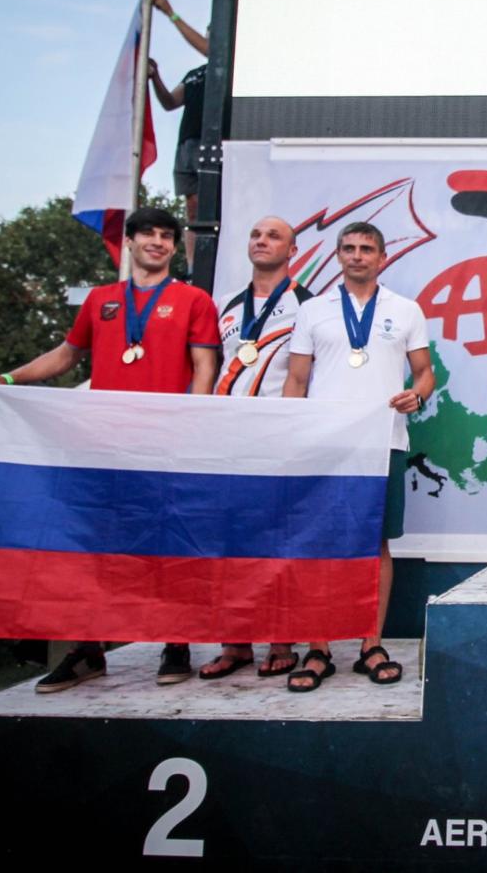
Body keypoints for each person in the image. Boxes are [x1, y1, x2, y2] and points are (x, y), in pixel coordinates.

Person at [0, 207, 221, 692]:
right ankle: (86, 650)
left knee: (166, 542)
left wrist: (196, 425)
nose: (158, 242)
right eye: (148, 233)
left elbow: (203, 366)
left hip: (165, 443)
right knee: (92, 550)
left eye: (167, 236)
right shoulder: (101, 301)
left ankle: (176, 642)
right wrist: (6, 378)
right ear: (129, 242)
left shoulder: (193, 300)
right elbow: (66, 356)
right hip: (101, 446)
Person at [282, 222, 435, 691]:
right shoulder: (312, 311)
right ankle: (318, 647)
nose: (357, 255)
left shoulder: (406, 310)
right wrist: (290, 438)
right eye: (348, 248)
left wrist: (417, 396)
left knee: (376, 544)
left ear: (383, 257)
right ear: (337, 256)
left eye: (367, 248)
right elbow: (296, 381)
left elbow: (424, 374)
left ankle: (372, 643)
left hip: (383, 440)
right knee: (319, 544)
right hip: (324, 444)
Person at [198, 216, 314, 680]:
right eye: (256, 235)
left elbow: (308, 375)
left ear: (293, 249)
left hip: (279, 436)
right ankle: (235, 642)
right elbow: (210, 368)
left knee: (277, 540)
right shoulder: (226, 304)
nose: (262, 242)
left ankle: (281, 637)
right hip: (229, 435)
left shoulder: (308, 304)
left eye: (274, 236)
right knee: (231, 541)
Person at [147, 0, 209, 273]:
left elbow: (212, 50)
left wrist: (171, 14)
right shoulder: (194, 73)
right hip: (187, 143)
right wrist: (155, 77)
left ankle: (211, 259)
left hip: (213, 142)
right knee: (192, 205)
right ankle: (194, 265)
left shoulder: (229, 66)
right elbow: (170, 103)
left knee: (213, 203)